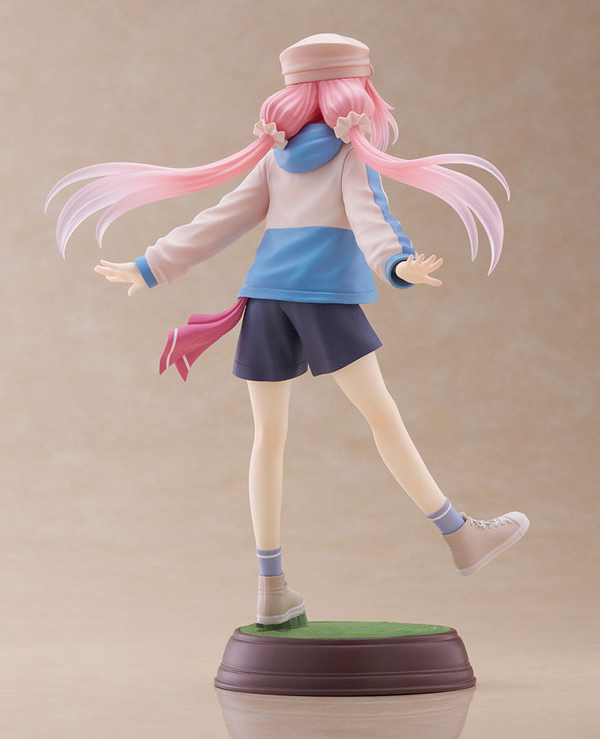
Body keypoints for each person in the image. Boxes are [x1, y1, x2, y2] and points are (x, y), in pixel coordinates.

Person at [46, 34, 529, 628]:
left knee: (267, 441)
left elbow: (221, 219)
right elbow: (371, 219)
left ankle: (270, 588)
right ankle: (460, 536)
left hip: (266, 301)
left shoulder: (276, 157)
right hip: (323, 300)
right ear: (357, 89)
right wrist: (398, 264)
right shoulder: (349, 154)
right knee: (382, 419)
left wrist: (151, 265)